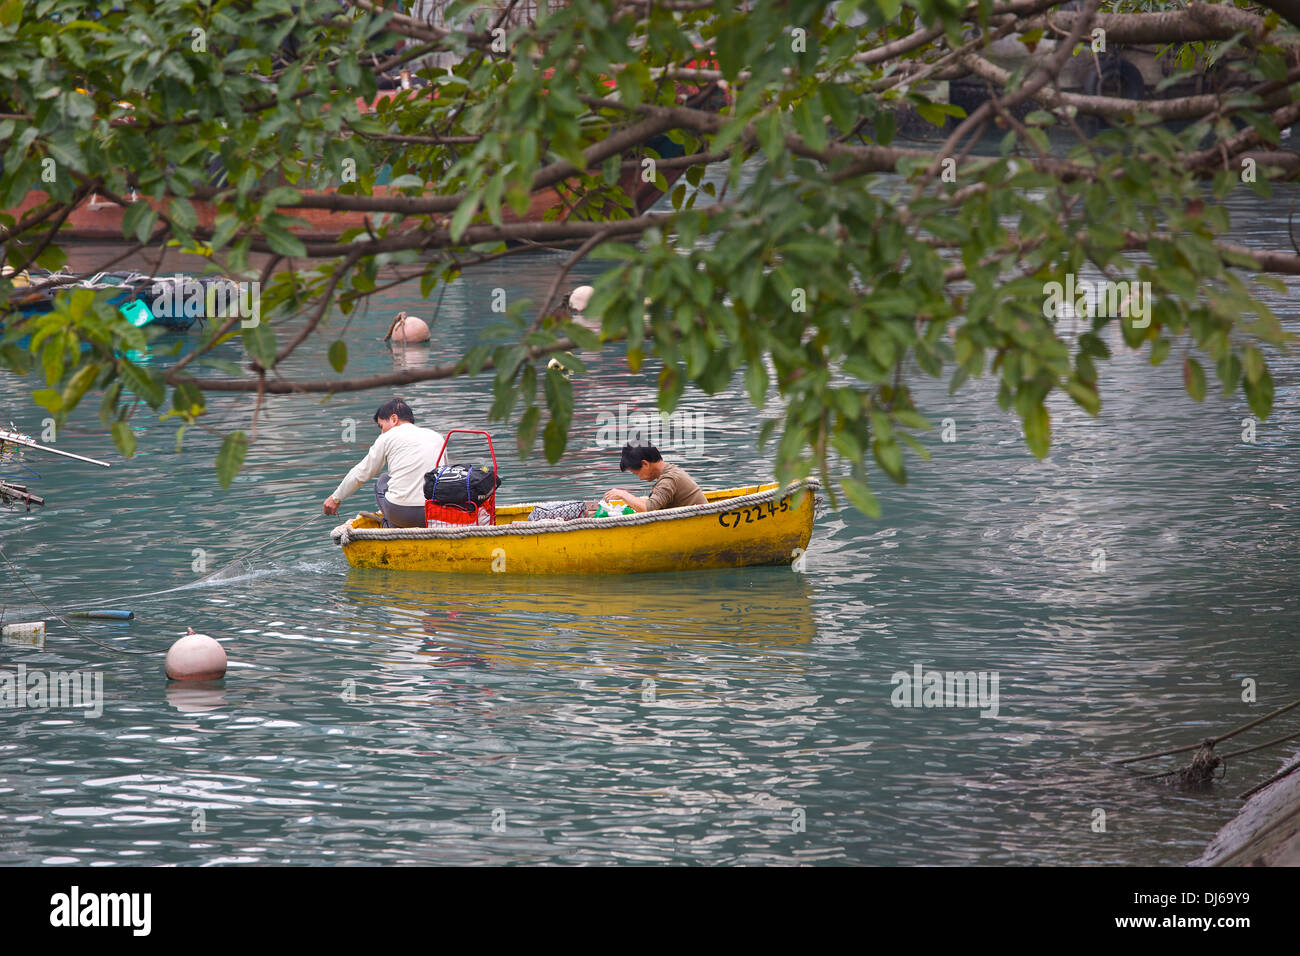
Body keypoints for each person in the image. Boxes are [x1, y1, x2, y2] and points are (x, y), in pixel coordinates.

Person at [323, 398, 447, 528]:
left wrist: (335, 498)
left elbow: (361, 473)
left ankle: (390, 526)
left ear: (394, 419)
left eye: (382, 426)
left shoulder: (387, 437)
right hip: (434, 512)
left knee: (383, 480)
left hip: (402, 513)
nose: (382, 432)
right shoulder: (436, 437)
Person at [603, 443, 707, 513]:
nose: (639, 478)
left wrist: (623, 495)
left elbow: (649, 509)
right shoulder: (670, 471)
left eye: (636, 473)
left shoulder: (668, 479)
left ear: (645, 464)